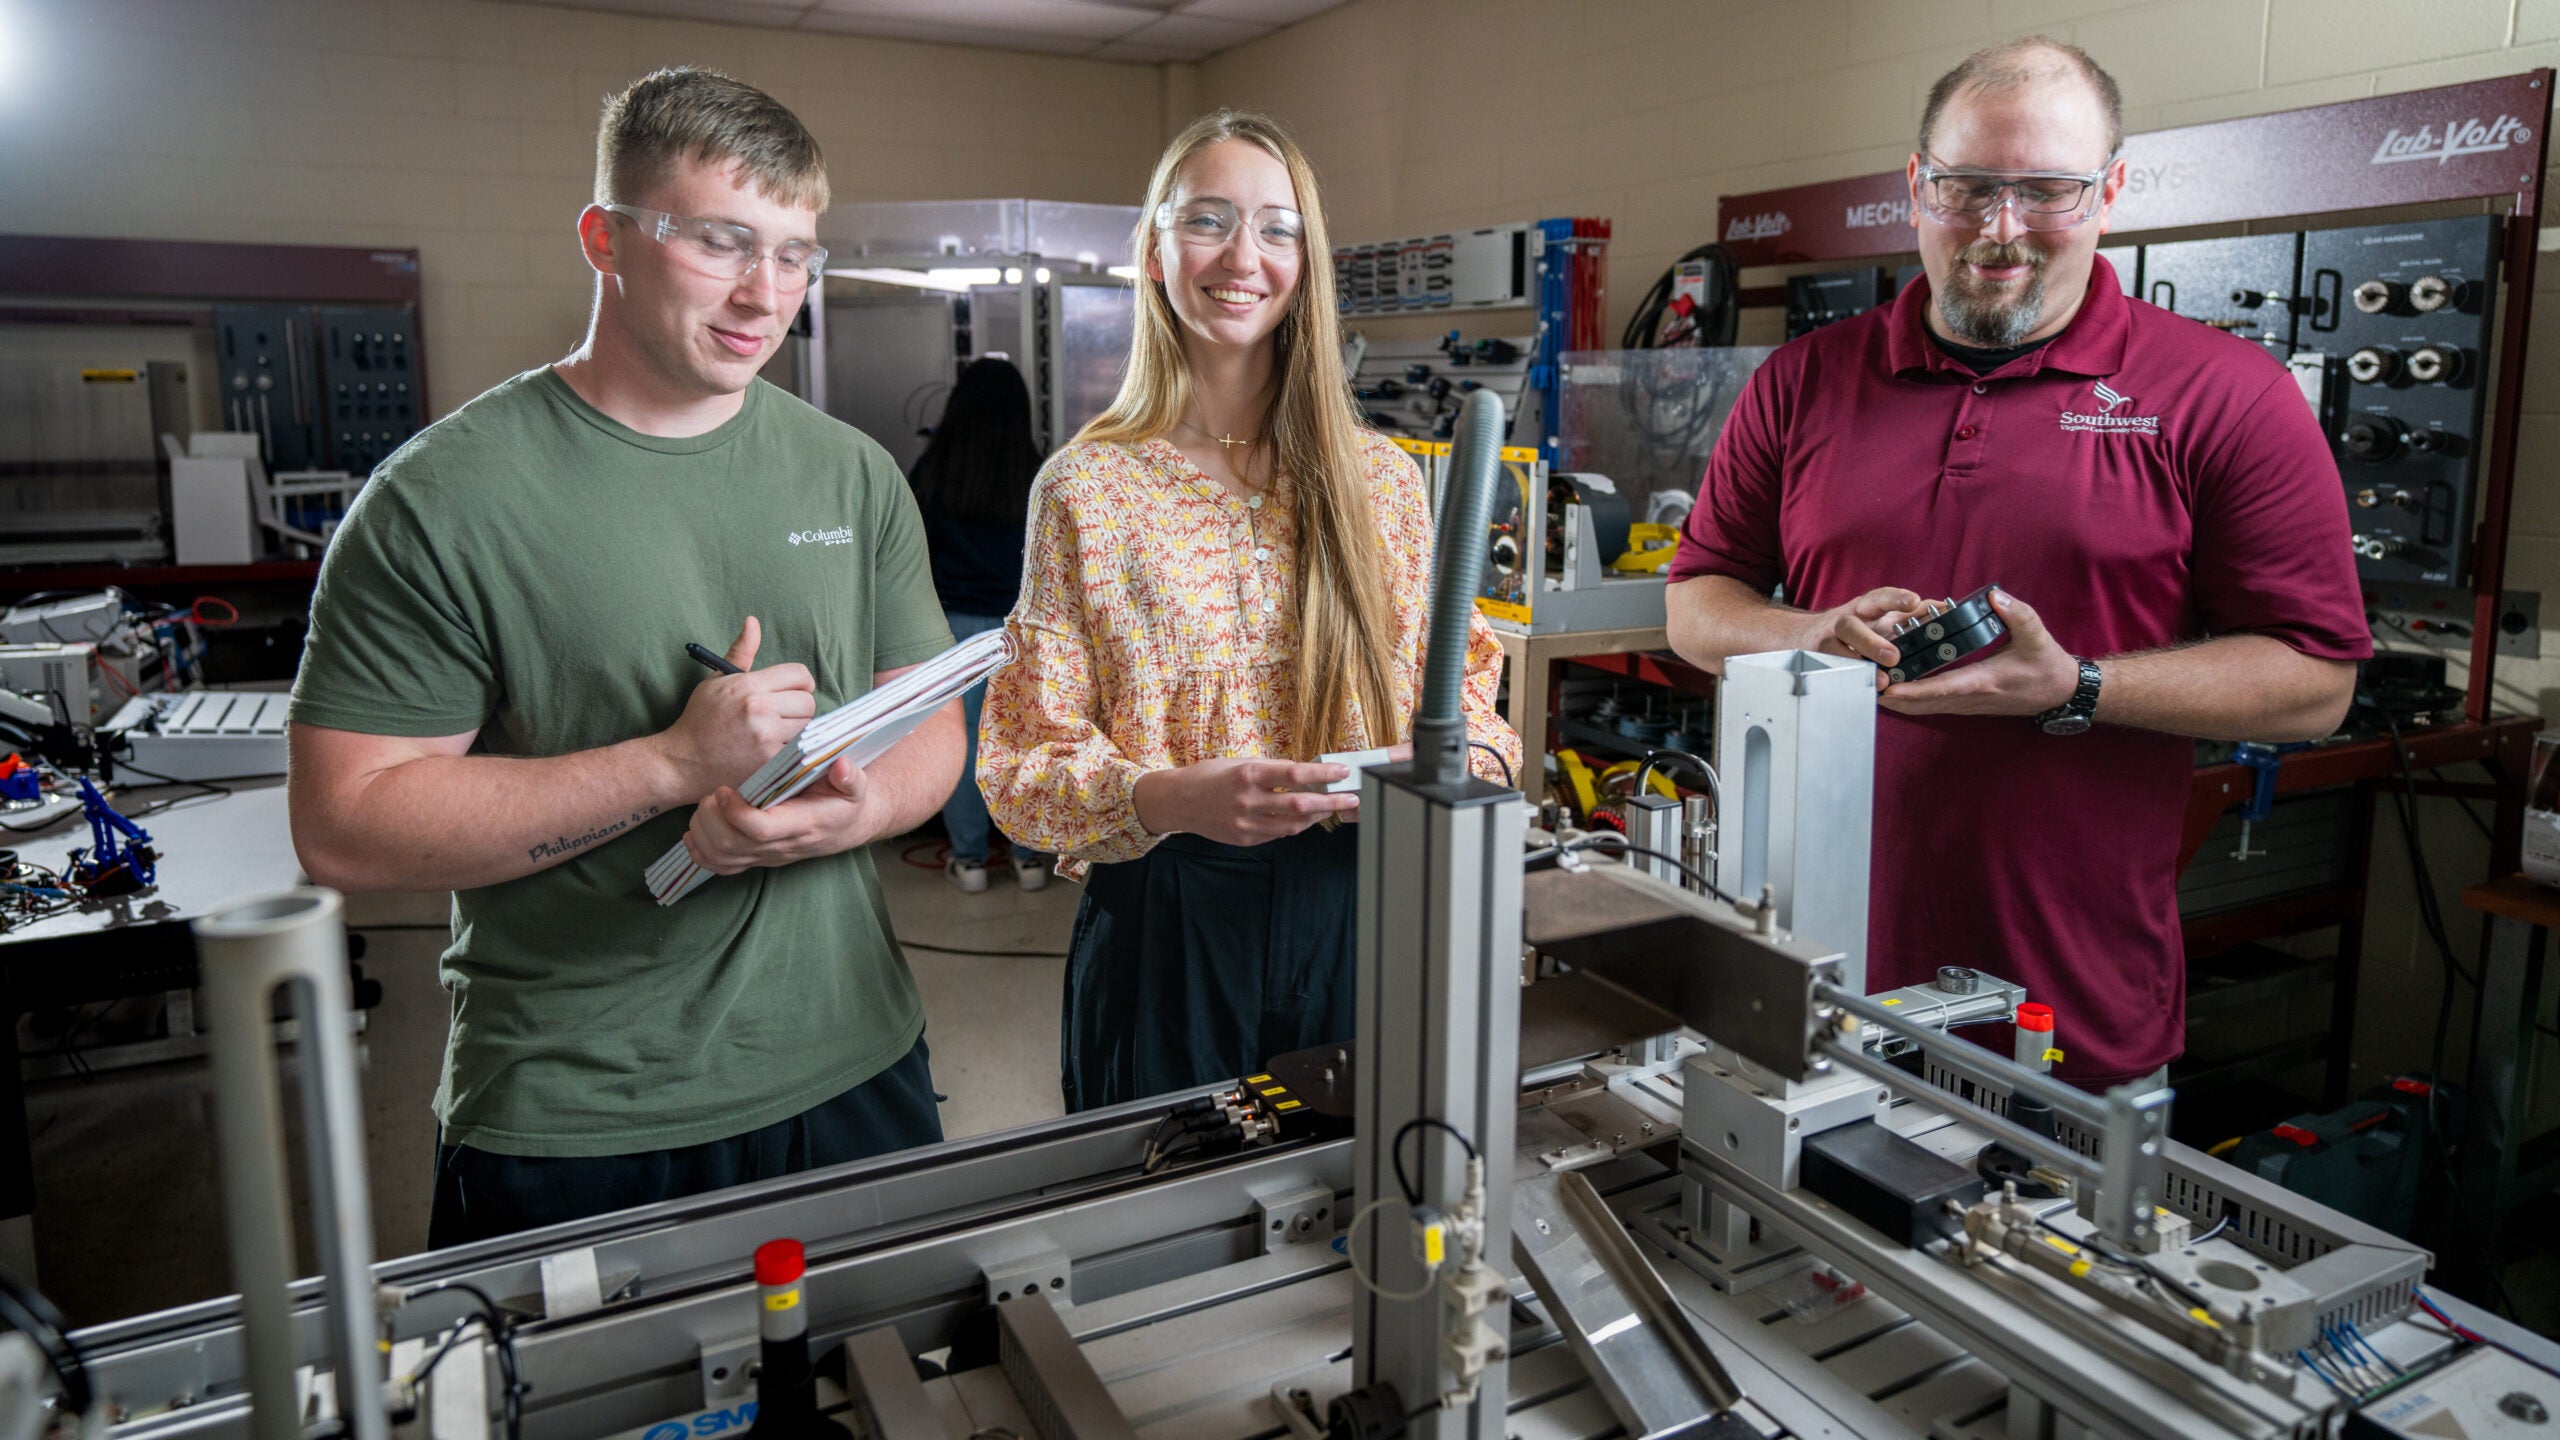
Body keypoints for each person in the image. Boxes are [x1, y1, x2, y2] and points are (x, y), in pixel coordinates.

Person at [285, 67, 965, 1245]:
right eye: (720, 242)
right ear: (607, 237)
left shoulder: (851, 472)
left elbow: (929, 727)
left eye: (796, 254)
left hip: (856, 1064)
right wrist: (668, 765)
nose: (766, 294)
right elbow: (346, 824)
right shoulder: (442, 500)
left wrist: (840, 818)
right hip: (579, 1115)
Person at [1663, 37, 2368, 1091]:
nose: (1999, 232)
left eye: (2045, 192)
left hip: (2066, 1011)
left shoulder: (2229, 395)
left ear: (2109, 191)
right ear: (1915, 186)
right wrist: (1803, 633)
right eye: (1964, 188)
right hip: (1806, 971)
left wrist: (2079, 686)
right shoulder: (1803, 382)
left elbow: (2317, 682)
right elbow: (1696, 605)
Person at [977, 110, 1522, 1112]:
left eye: (1276, 228)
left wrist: (1450, 767)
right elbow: (1021, 769)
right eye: (1208, 221)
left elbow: (1478, 716)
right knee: (1164, 1219)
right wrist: (1169, 798)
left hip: (1363, 906)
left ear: (1307, 263)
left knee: (1370, 1220)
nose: (1242, 256)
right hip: (1168, 925)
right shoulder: (1088, 489)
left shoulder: (1381, 483)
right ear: (1152, 251)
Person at [907, 357, 1055, 894]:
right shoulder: (1038, 473)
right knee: (1024, 741)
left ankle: (969, 861)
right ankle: (1030, 858)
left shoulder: (933, 470)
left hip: (951, 627)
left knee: (960, 742)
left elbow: (910, 556)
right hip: (1020, 629)